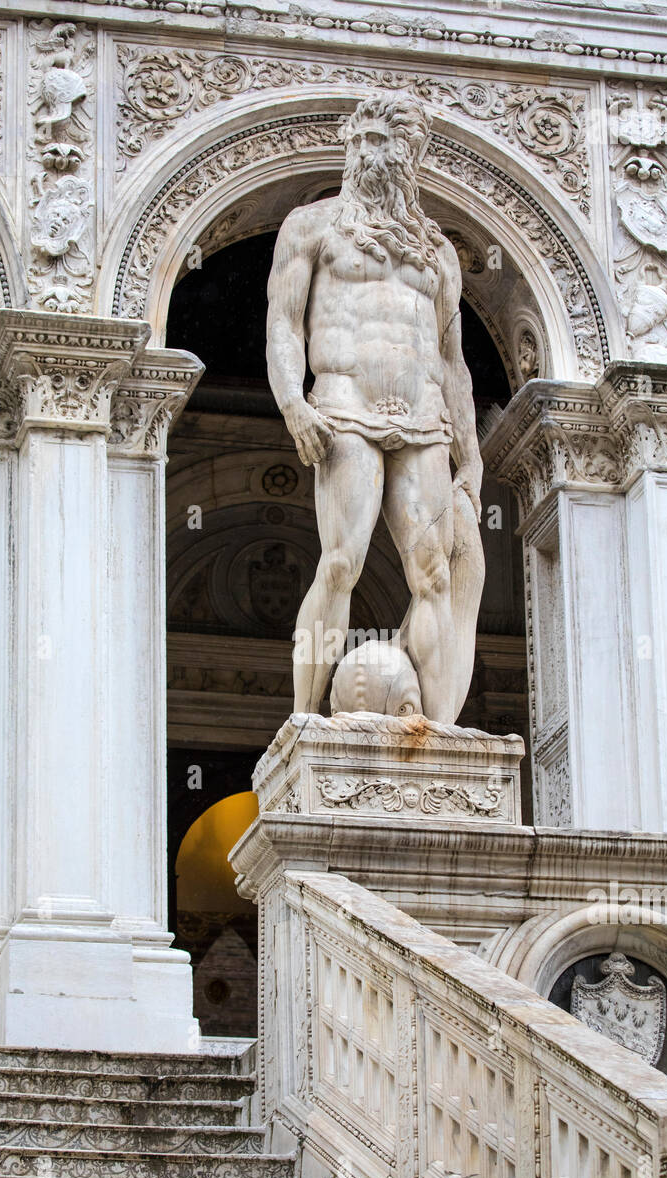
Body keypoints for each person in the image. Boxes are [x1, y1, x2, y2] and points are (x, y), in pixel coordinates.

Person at [266, 93, 484, 723]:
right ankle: (305, 722)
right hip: (343, 407)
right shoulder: (312, 226)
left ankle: (437, 731)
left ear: (411, 154)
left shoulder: (437, 252)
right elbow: (285, 325)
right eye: (359, 140)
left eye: (383, 142)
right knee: (341, 564)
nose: (368, 153)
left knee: (434, 574)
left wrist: (470, 458)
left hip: (423, 418)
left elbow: (452, 363)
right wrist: (292, 404)